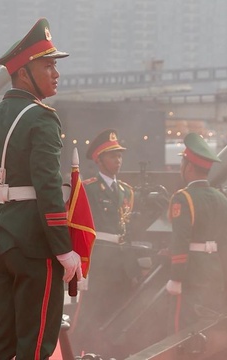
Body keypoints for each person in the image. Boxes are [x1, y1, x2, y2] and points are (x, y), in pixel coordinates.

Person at [0, 17, 82, 360]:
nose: (56, 73)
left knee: (0, 342)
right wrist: (63, 248)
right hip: (33, 244)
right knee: (35, 343)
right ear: (23, 73)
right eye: (47, 66)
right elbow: (48, 187)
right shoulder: (42, 118)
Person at [71, 129, 140, 356]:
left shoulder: (127, 191)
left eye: (119, 156)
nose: (118, 160)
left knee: (118, 313)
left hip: (121, 263)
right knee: (90, 313)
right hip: (99, 259)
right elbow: (77, 226)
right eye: (112, 156)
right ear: (99, 160)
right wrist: (82, 266)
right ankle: (78, 353)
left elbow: (128, 230)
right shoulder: (88, 188)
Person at [165, 132, 227, 333]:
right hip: (214, 272)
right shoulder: (223, 199)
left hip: (191, 274)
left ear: (189, 167)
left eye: (182, 162)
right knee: (211, 327)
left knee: (185, 328)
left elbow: (181, 239)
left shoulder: (183, 198)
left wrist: (176, 278)